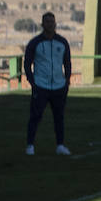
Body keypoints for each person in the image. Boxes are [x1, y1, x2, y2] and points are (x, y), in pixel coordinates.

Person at [23, 11, 71, 156]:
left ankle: (60, 145)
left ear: (55, 24)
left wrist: (66, 81)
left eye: (52, 22)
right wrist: (33, 82)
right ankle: (30, 145)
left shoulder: (62, 42)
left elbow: (67, 63)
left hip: (58, 86)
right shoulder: (35, 43)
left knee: (59, 117)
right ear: (42, 24)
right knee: (35, 116)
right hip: (41, 86)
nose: (50, 24)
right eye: (47, 22)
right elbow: (27, 64)